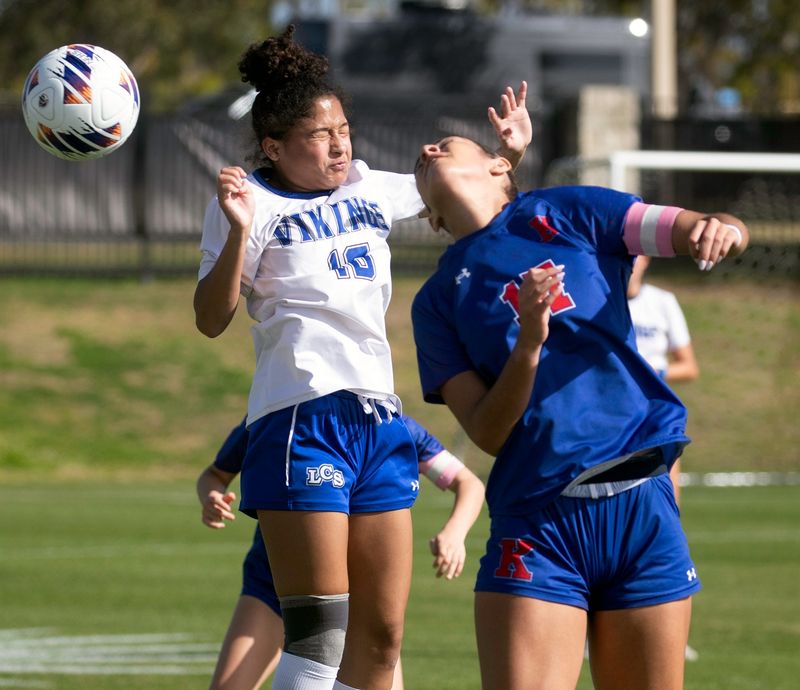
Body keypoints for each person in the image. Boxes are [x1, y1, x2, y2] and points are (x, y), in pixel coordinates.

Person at [193, 25, 529, 690]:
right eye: (320, 135)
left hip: (380, 424)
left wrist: (506, 156)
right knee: (320, 638)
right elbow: (210, 319)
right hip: (300, 422)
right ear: (273, 145)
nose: (339, 143)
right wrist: (236, 234)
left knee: (381, 643)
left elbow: (455, 192)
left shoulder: (370, 187)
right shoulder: (246, 202)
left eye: (343, 128)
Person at [409, 135, 748, 690]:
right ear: (433, 219)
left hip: (642, 508)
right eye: (421, 159)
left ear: (500, 166)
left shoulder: (567, 210)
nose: (427, 148)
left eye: (445, 142)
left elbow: (696, 227)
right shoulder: (437, 300)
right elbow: (488, 432)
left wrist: (726, 227)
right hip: (540, 524)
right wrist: (528, 344)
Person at [197, 414, 485, 690]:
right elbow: (214, 474)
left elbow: (468, 482)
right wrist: (211, 496)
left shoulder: (389, 424)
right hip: (270, 590)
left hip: (362, 604)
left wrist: (454, 533)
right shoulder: (276, 413)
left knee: (377, 661)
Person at [627, 255, 700, 503]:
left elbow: (689, 366)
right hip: (613, 408)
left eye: (636, 257)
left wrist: (651, 373)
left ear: (646, 259)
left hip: (654, 408)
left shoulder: (662, 302)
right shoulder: (600, 301)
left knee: (666, 490)